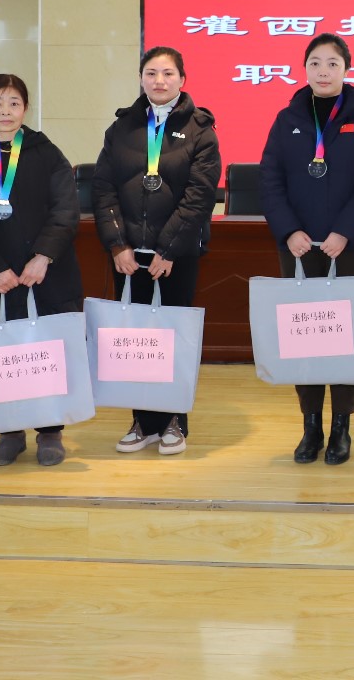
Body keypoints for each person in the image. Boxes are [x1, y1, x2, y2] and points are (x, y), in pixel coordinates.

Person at [259, 33, 354, 465]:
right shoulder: (287, 119)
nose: (323, 71)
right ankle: (311, 425)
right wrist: (289, 231)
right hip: (298, 249)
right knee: (305, 338)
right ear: (305, 69)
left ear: (346, 70)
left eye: (333, 63)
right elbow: (270, 180)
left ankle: (341, 426)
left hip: (349, 247)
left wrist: (345, 232)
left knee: (345, 338)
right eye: (315, 63)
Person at [0, 74, 84, 466]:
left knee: (46, 352)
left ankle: (50, 430)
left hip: (44, 273)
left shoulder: (46, 152)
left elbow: (66, 209)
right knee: (1, 354)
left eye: (14, 103)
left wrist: (43, 256)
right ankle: (9, 432)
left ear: (25, 109)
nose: (5, 111)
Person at [92, 46, 220, 456]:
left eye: (167, 73)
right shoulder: (122, 127)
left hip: (176, 256)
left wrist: (168, 249)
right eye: (151, 73)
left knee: (173, 339)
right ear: (141, 78)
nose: (159, 81)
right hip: (129, 256)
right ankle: (143, 422)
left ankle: (175, 421)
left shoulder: (200, 129)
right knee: (136, 340)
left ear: (182, 79)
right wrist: (118, 245)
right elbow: (103, 189)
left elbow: (200, 196)